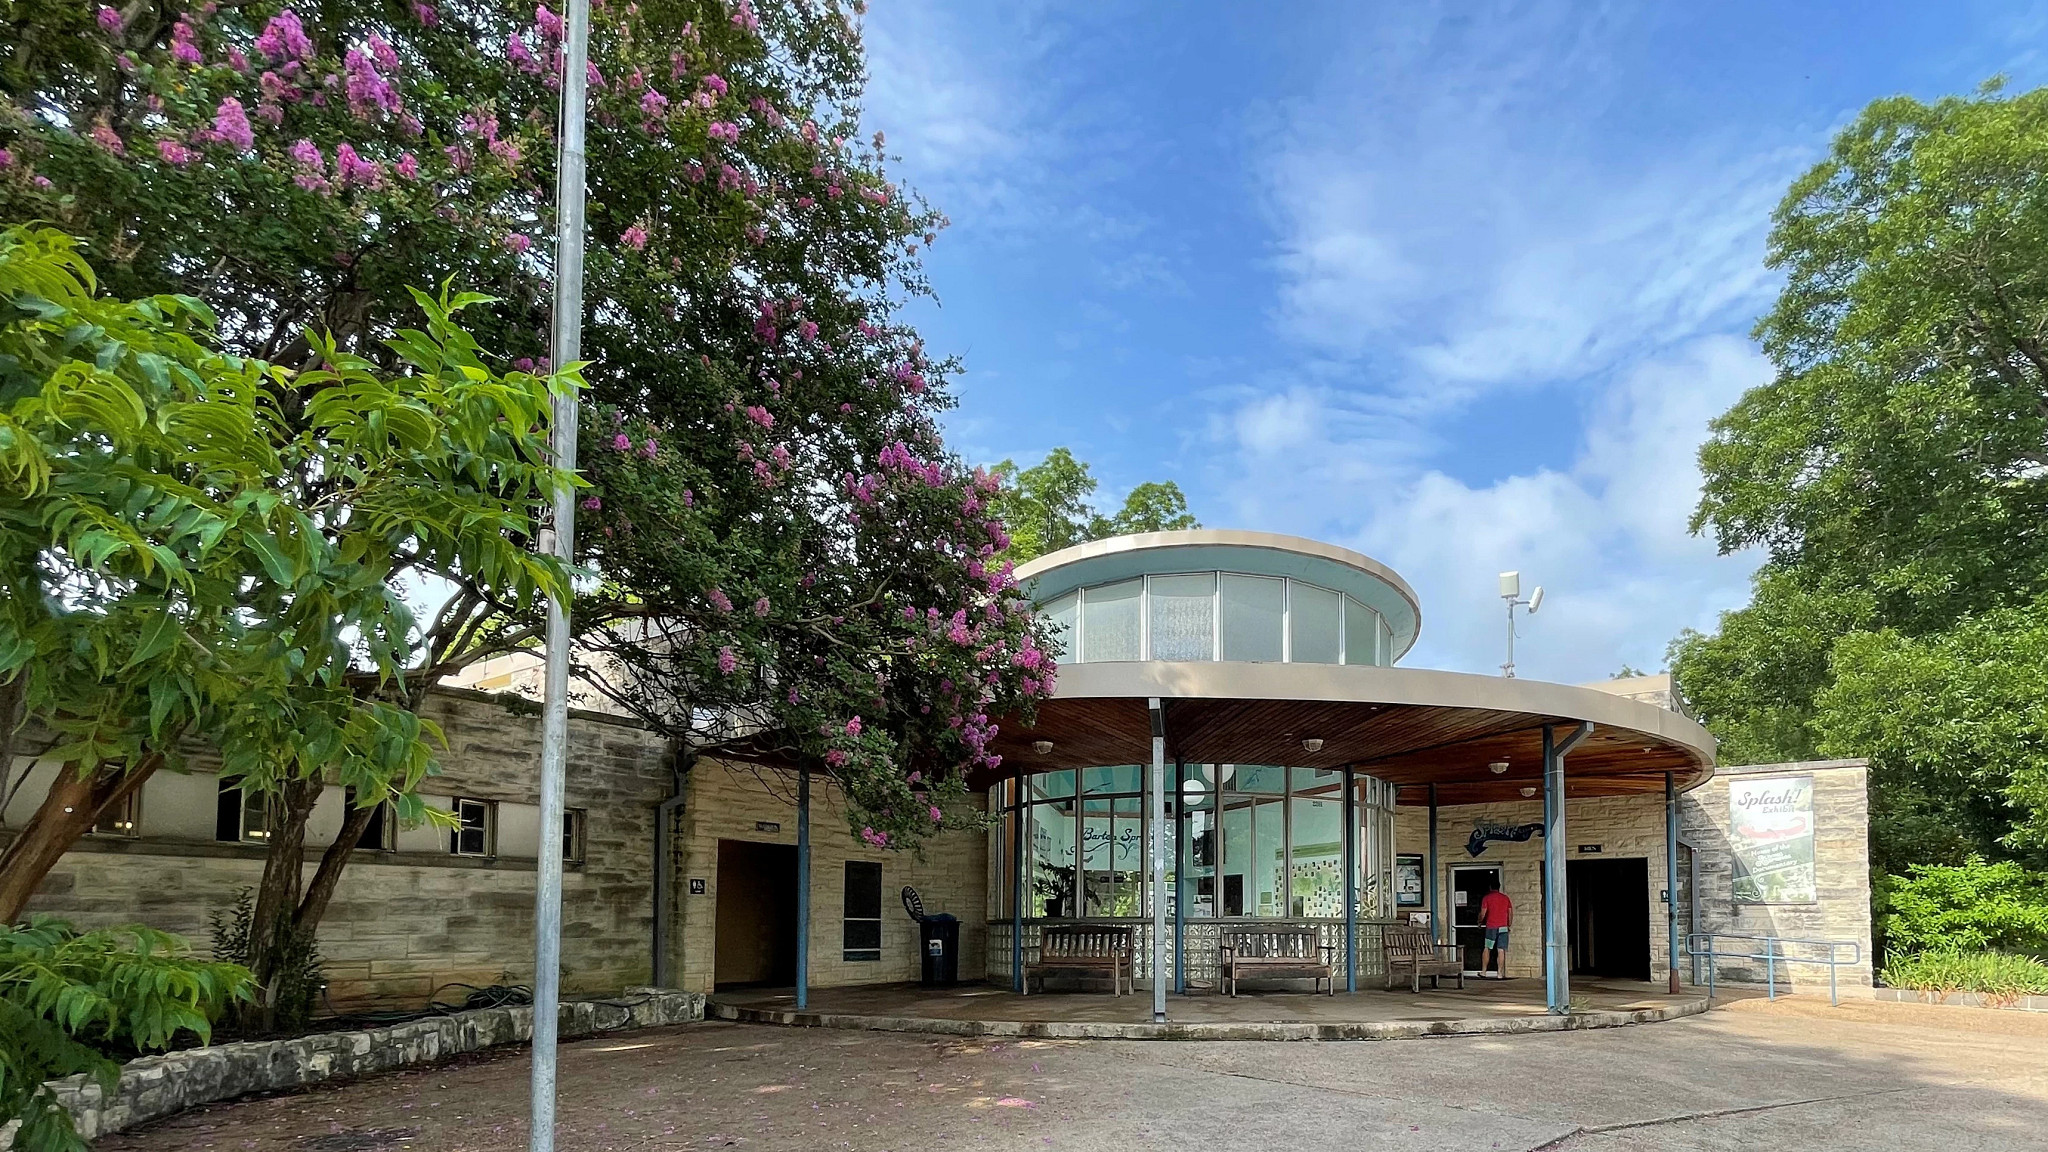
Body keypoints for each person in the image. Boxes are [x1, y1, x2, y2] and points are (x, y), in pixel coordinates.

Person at [1478, 877, 1512, 979]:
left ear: (1490, 887)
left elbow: (1483, 913)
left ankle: (1484, 971)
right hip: (1503, 927)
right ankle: (1499, 973)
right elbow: (1510, 913)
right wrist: (1509, 924)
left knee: (1487, 948)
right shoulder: (1505, 898)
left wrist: (1479, 922)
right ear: (1499, 887)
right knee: (1501, 950)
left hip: (1491, 926)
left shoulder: (1487, 898)